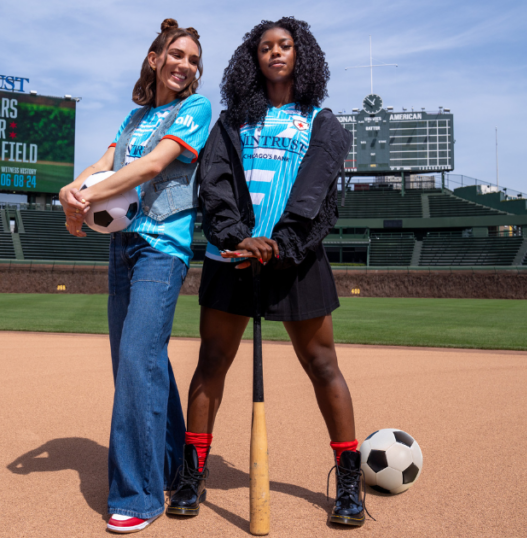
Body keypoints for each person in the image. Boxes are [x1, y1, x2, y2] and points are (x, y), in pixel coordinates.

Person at [167, 17, 369, 527]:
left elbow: (316, 194)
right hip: (232, 257)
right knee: (212, 361)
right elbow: (213, 185)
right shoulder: (232, 121)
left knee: (323, 365)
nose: (275, 53)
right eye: (265, 48)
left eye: (285, 46)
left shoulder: (323, 122)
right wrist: (238, 238)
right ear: (252, 59)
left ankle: (349, 482)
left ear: (302, 55)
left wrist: (280, 244)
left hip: (295, 259)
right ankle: (192, 474)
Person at [58, 18, 211, 534]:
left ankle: (138, 495)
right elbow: (105, 161)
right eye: (176, 54)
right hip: (122, 247)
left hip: (161, 250)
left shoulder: (195, 109)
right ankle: (172, 465)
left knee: (134, 363)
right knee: (145, 363)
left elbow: (150, 167)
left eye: (192, 59)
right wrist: (69, 193)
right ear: (155, 58)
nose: (184, 64)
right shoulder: (137, 116)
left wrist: (89, 197)